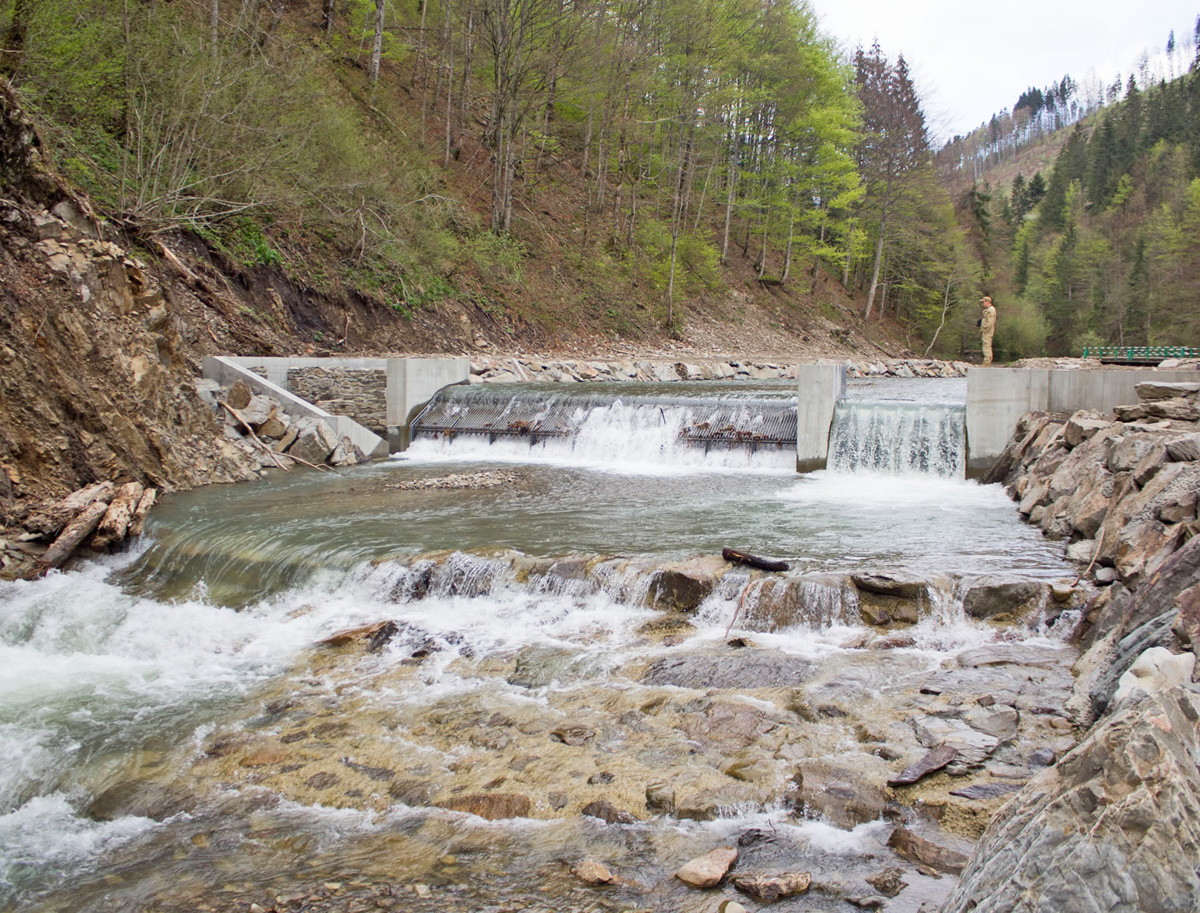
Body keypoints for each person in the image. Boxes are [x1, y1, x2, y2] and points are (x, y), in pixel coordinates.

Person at [978, 296, 997, 366]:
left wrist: (985, 328)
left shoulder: (991, 310)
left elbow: (990, 322)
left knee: (987, 345)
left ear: (987, 302)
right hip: (986, 331)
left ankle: (987, 362)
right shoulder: (988, 310)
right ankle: (986, 361)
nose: (983, 304)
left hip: (987, 331)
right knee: (986, 345)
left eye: (983, 302)